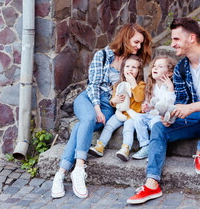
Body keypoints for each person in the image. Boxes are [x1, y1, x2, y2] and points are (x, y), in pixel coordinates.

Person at [127, 17, 200, 204]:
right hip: (196, 118)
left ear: (191, 38)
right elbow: (181, 101)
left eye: (176, 39)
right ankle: (151, 184)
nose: (172, 44)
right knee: (158, 126)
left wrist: (190, 108)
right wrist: (170, 116)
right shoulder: (182, 67)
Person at [51, 24, 151, 199]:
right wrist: (97, 108)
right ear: (126, 37)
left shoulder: (131, 63)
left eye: (141, 44)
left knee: (79, 127)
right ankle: (79, 168)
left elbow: (136, 89)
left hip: (109, 107)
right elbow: (93, 86)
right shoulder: (103, 55)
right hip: (89, 99)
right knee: (88, 118)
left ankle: (60, 173)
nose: (139, 46)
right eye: (136, 42)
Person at [89, 55, 145, 161]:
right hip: (120, 113)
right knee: (109, 125)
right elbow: (114, 100)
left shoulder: (141, 85)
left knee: (128, 130)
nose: (130, 69)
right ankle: (100, 146)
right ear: (123, 69)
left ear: (139, 71)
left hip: (132, 115)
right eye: (127, 66)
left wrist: (133, 83)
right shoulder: (118, 85)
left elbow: (139, 98)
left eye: (134, 67)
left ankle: (125, 149)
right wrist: (113, 101)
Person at [132, 56, 177, 160]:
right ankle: (145, 146)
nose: (155, 68)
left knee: (155, 122)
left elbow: (170, 104)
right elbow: (151, 105)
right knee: (138, 118)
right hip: (151, 115)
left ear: (170, 72)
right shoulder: (152, 85)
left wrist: (170, 88)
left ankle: (155, 147)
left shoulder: (169, 86)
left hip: (161, 118)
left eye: (160, 66)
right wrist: (147, 107)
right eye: (154, 66)